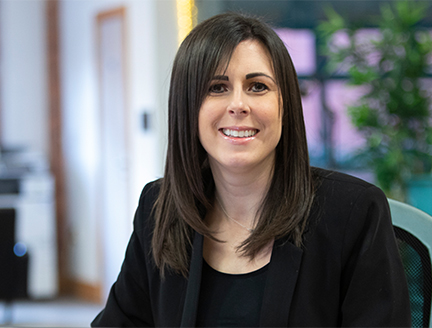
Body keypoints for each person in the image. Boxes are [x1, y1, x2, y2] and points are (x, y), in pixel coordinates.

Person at [92, 12, 411, 327]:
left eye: (257, 86)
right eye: (217, 87)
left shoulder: (352, 212)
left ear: (284, 105)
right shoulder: (159, 207)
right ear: (187, 107)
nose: (238, 104)